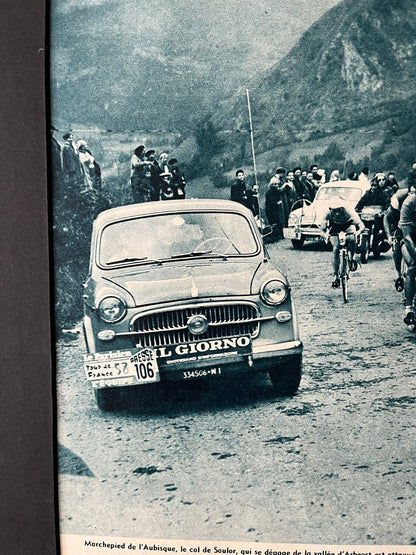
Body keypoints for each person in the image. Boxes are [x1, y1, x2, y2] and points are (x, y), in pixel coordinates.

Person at [320, 196, 364, 288]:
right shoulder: (327, 213)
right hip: (335, 226)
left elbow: (361, 225)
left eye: (338, 210)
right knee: (335, 248)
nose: (336, 213)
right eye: (334, 210)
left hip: (348, 224)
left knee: (351, 239)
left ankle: (351, 258)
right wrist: (325, 235)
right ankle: (335, 275)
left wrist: (358, 232)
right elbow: (322, 230)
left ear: (342, 208)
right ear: (330, 209)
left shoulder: (349, 210)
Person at [384, 186, 413, 292]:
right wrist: (389, 236)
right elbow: (386, 218)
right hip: (401, 223)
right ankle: (398, 274)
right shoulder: (398, 198)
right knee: (397, 246)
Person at [355, 177, 390, 254]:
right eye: (372, 185)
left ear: (378, 186)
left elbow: (387, 203)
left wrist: (384, 211)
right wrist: (357, 209)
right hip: (368, 215)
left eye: (375, 186)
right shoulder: (367, 193)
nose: (373, 187)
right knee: (363, 226)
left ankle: (377, 245)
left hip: (378, 216)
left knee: (378, 231)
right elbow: (361, 202)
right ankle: (360, 242)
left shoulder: (383, 193)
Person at [398, 185, 416, 325]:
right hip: (409, 237)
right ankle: (409, 309)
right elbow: (407, 237)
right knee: (412, 265)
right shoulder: (409, 203)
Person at [265, 168, 286, 241]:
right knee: (274, 223)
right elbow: (269, 202)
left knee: (277, 222)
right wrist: (277, 203)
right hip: (271, 210)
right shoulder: (269, 192)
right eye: (275, 184)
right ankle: (275, 236)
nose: (277, 185)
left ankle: (279, 235)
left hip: (274, 209)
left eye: (277, 184)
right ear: (272, 184)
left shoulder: (275, 191)